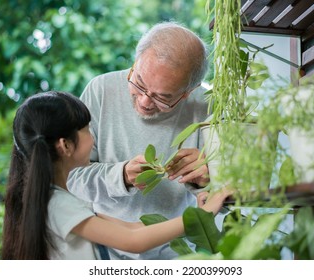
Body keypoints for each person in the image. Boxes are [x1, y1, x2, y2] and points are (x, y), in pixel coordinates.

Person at [1, 91, 230, 260]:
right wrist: (204, 215)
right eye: (87, 129)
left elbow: (130, 229)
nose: (92, 136)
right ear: (65, 146)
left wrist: (198, 214)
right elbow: (132, 242)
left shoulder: (60, 198)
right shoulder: (57, 204)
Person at [67, 22, 213, 260]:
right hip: (100, 250)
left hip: (176, 254)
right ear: (135, 62)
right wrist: (121, 176)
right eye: (139, 84)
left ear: (189, 92)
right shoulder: (100, 90)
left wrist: (207, 178)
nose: (145, 102)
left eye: (163, 97)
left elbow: (226, 198)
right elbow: (70, 177)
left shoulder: (207, 107)